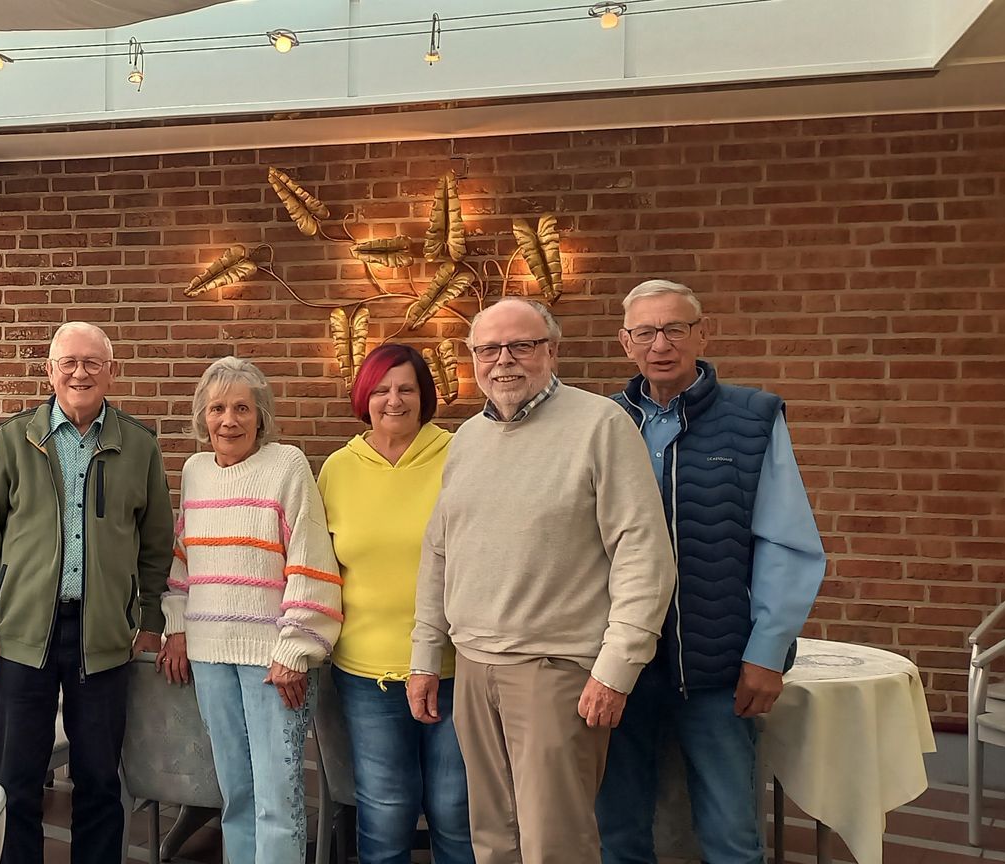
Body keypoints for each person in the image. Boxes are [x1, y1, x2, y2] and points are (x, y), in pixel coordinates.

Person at [409, 298, 676, 864]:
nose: (503, 360)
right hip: (474, 667)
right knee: (492, 842)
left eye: (521, 345)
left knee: (555, 846)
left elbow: (644, 557)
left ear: (551, 351)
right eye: (488, 349)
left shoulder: (601, 425)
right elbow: (440, 553)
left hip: (557, 673)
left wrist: (616, 669)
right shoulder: (467, 439)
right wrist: (425, 656)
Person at [597, 280, 826, 864]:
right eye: (646, 332)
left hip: (716, 667)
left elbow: (786, 543)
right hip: (619, 665)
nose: (661, 344)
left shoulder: (753, 418)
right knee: (617, 834)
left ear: (704, 334)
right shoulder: (603, 422)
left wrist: (767, 651)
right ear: (625, 342)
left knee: (731, 838)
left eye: (675, 329)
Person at [0, 321, 174, 864]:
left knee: (99, 778)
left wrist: (150, 620)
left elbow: (156, 545)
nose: (80, 373)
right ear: (50, 371)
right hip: (22, 633)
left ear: (112, 372)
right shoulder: (13, 439)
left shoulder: (139, 445)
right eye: (68, 363)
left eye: (92, 363)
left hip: (103, 636)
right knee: (16, 778)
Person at [155, 356, 341, 864]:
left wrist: (296, 648)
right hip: (210, 655)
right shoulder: (195, 471)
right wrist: (177, 628)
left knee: (277, 798)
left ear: (261, 416)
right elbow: (184, 559)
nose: (229, 420)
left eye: (242, 408)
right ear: (203, 416)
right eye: (217, 408)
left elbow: (310, 557)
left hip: (273, 661)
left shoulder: (287, 465)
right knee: (235, 793)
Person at [317, 344, 473, 864]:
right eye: (381, 389)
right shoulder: (338, 469)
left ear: (425, 396)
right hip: (368, 673)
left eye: (406, 388)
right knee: (385, 813)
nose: (394, 400)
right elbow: (321, 568)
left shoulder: (460, 456)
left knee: (455, 810)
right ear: (364, 396)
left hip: (454, 667)